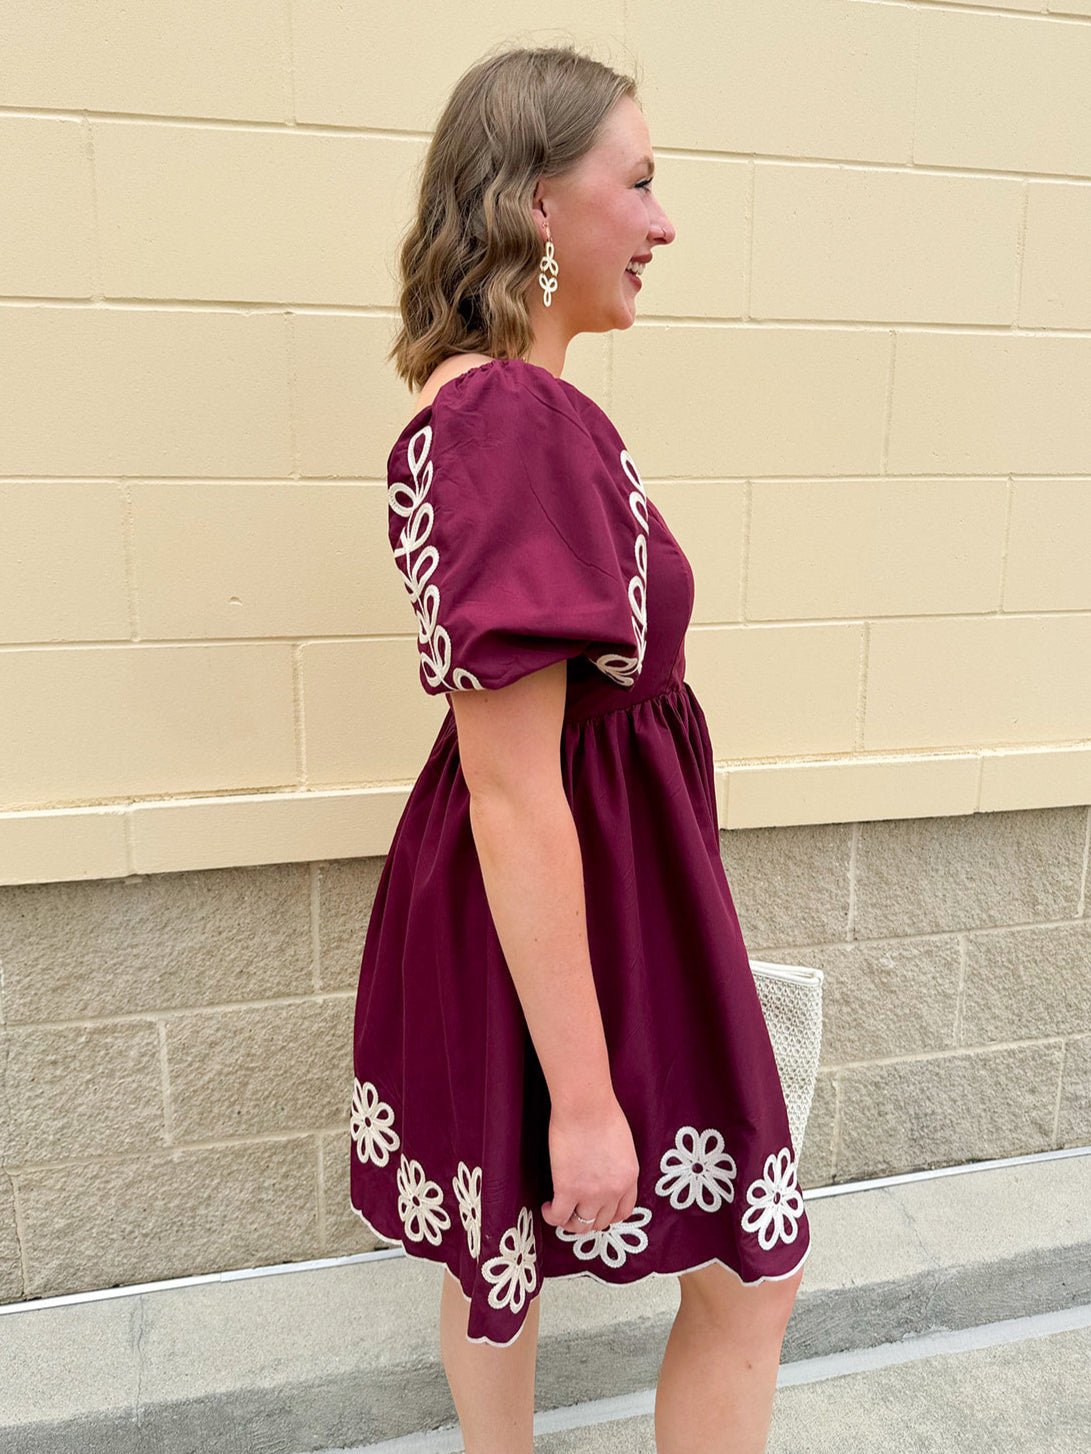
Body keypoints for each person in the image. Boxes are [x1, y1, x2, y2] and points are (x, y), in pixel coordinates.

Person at [350, 43, 811, 1454]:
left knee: (495, 1262)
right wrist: (594, 1098)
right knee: (751, 1269)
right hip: (578, 899)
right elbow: (511, 780)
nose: (664, 223)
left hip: (580, 892)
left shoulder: (500, 410)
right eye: (642, 182)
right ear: (539, 204)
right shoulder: (508, 414)